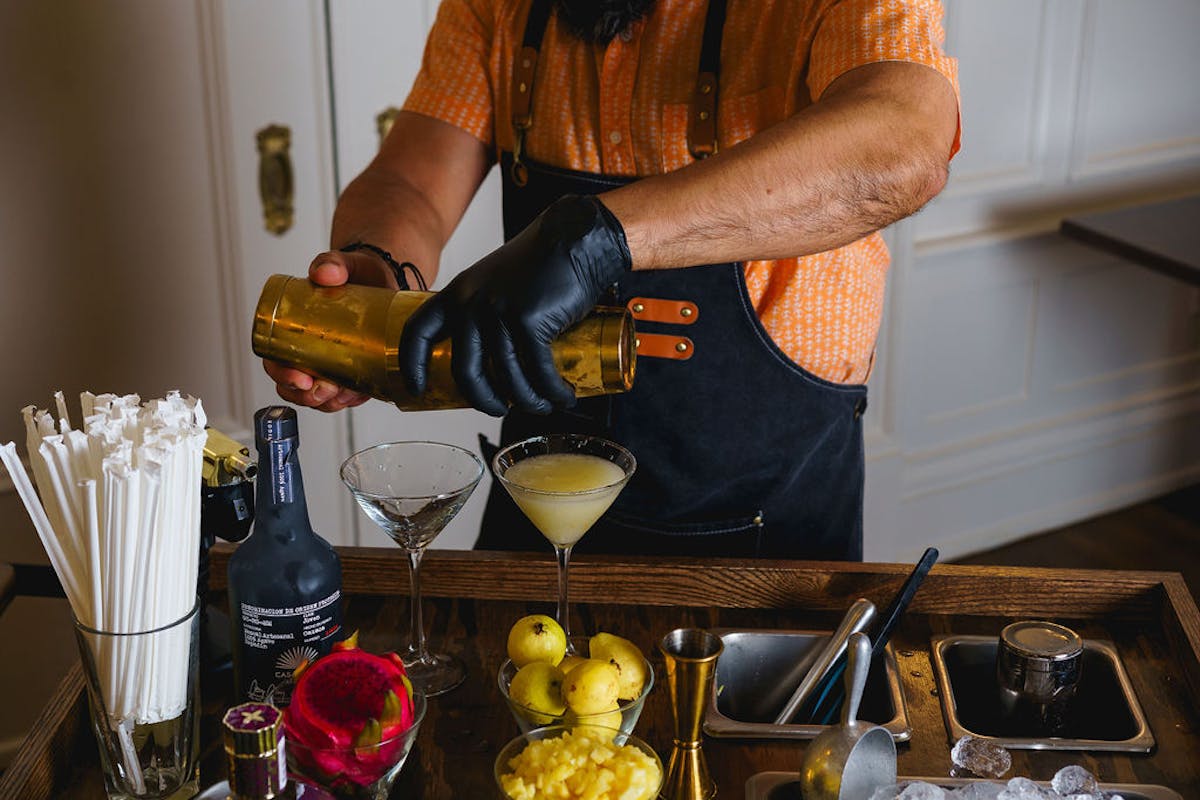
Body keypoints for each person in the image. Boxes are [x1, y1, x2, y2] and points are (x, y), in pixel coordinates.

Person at [265, 0, 960, 561]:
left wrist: (598, 240)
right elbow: (409, 178)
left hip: (770, 523)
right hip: (539, 503)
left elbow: (902, 143)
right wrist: (382, 266)